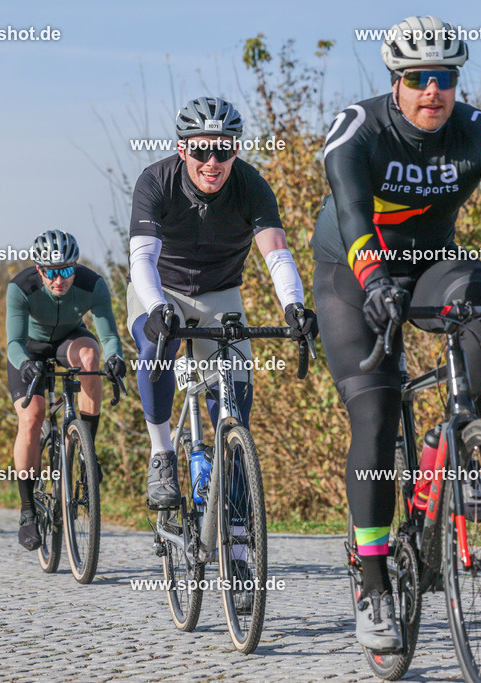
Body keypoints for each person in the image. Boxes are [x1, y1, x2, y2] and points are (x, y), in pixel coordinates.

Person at [311, 15, 481, 651]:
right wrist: (374, 280)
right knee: (376, 413)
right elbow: (352, 210)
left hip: (432, 265)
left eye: (444, 77)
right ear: (395, 82)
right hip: (353, 271)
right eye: (417, 79)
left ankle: (452, 440)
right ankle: (373, 583)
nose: (432, 90)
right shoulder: (359, 127)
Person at [127, 96, 317, 607]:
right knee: (157, 344)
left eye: (224, 150)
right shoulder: (156, 181)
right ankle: (162, 455)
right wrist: (157, 308)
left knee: (234, 408)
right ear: (182, 149)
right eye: (201, 150)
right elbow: (142, 258)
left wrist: (294, 307)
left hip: (220, 295)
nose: (212, 161)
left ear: (236, 150)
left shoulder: (252, 185)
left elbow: (277, 253)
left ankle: (236, 542)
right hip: (160, 288)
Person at [6, 230, 126, 551]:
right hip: (29, 350)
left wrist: (115, 358)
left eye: (67, 270)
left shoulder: (92, 284)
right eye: (51, 273)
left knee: (90, 357)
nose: (59, 280)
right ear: (39, 269)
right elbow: (13, 342)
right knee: (32, 418)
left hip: (69, 340)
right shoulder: (21, 287)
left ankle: (87, 451)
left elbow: (109, 336)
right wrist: (25, 364)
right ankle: (27, 510)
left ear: (76, 265)